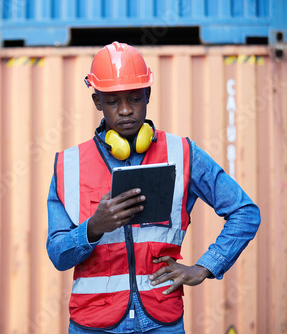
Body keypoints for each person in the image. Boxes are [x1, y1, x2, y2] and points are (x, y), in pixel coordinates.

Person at [46, 42, 261, 333]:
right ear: (97, 101)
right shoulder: (69, 164)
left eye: (135, 98)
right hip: (93, 323)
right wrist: (94, 227)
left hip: (162, 320)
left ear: (148, 94)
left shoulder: (183, 153)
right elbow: (59, 255)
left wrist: (206, 266)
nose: (125, 110)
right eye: (112, 101)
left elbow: (245, 213)